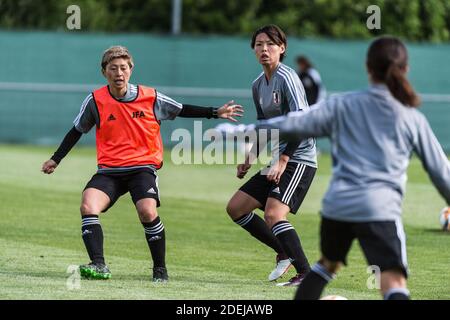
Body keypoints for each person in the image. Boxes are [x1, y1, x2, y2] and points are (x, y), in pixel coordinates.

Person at [254, 36, 450, 299]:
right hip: (378, 208)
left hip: (338, 206)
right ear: (405, 70)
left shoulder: (342, 104)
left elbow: (295, 123)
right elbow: (441, 173)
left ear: (368, 68)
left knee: (326, 266)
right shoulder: (411, 117)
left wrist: (235, 131)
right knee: (393, 281)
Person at [41, 46, 243, 282]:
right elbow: (77, 130)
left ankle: (160, 269)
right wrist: (56, 159)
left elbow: (180, 109)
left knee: (147, 211)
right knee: (88, 206)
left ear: (131, 69)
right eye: (113, 68)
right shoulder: (95, 101)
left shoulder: (150, 97)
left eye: (123, 68)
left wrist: (215, 113)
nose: (119, 73)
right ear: (104, 71)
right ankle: (99, 264)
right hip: (109, 171)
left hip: (142, 168)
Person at [225, 25, 317, 286]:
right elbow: (264, 127)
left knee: (275, 214)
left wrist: (283, 159)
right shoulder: (258, 85)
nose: (264, 49)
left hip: (299, 157)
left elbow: (304, 123)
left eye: (270, 44)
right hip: (278, 159)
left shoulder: (288, 77)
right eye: (259, 45)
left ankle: (306, 273)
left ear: (282, 48)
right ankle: (284, 250)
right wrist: (250, 158)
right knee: (236, 208)